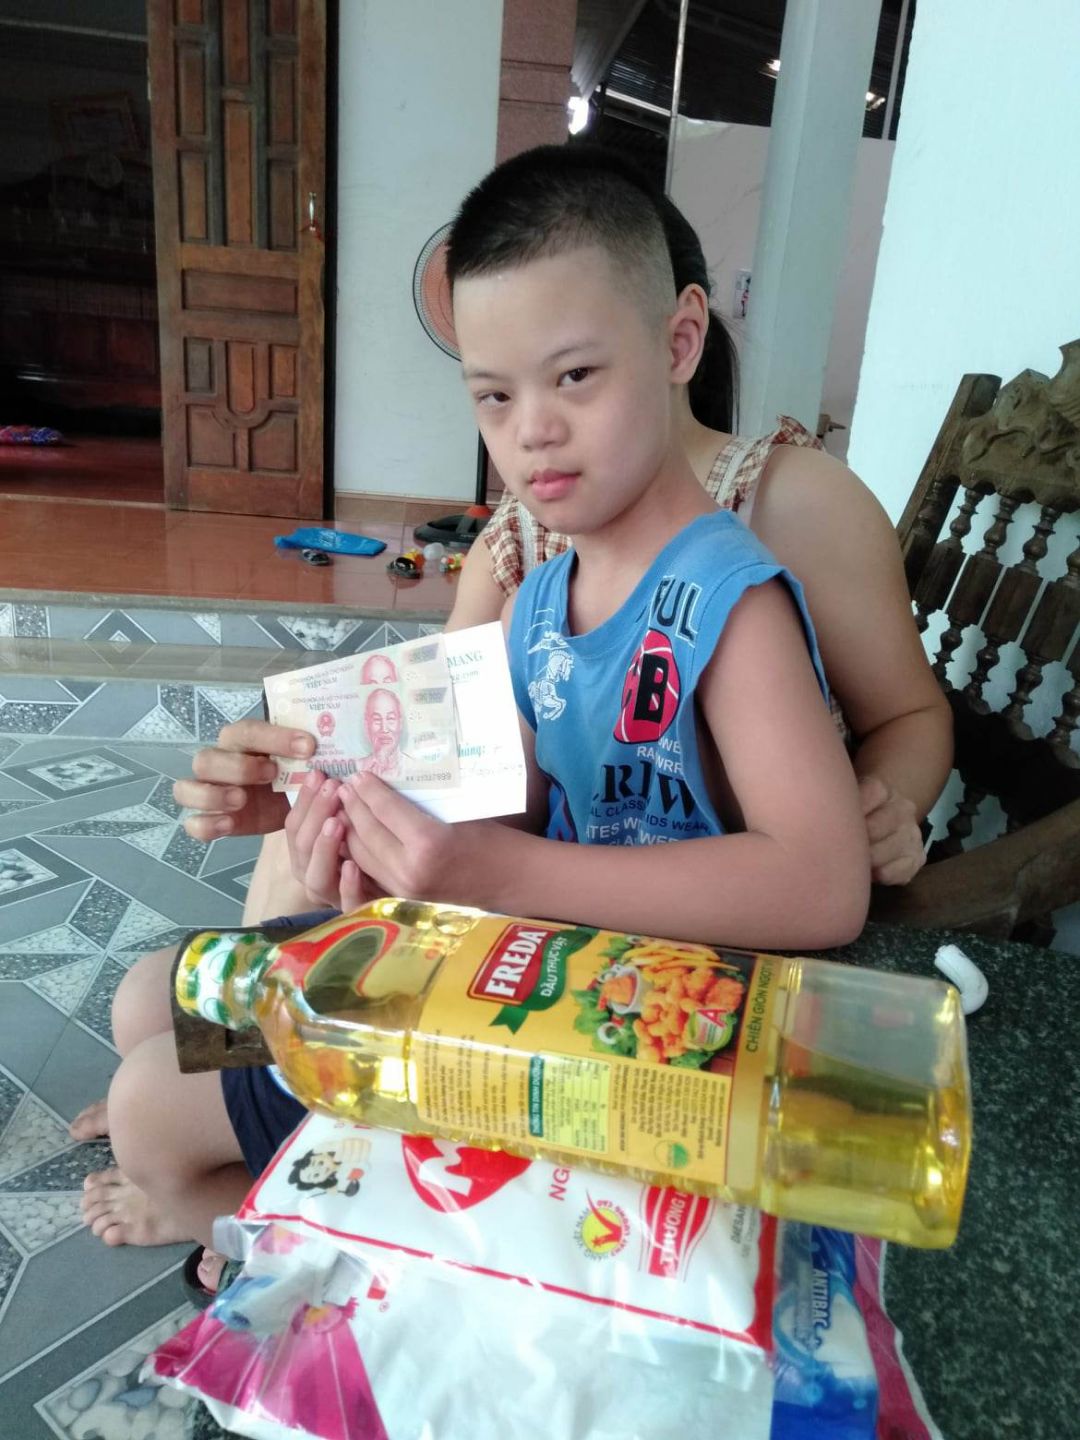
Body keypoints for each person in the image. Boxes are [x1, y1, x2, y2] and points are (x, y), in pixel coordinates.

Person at [73, 145, 945, 1285]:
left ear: (680, 342)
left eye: (573, 377)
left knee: (152, 1108)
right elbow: (510, 808)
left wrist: (495, 877)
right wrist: (322, 805)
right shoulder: (539, 596)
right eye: (494, 395)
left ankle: (318, 1235)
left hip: (637, 1022)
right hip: (530, 965)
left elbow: (824, 885)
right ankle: (295, 1189)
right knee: (147, 1003)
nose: (531, 429)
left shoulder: (729, 601)